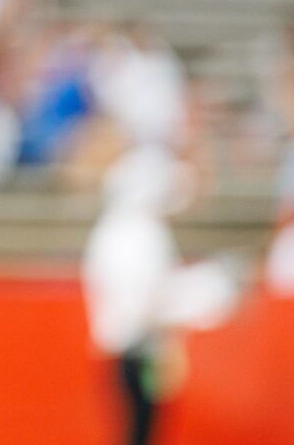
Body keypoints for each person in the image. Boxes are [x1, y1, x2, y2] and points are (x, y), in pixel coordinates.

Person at [82, 146, 238, 445]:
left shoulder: (116, 229)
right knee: (141, 430)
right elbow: (150, 301)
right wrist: (207, 293)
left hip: (134, 351)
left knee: (142, 429)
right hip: (138, 352)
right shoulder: (137, 232)